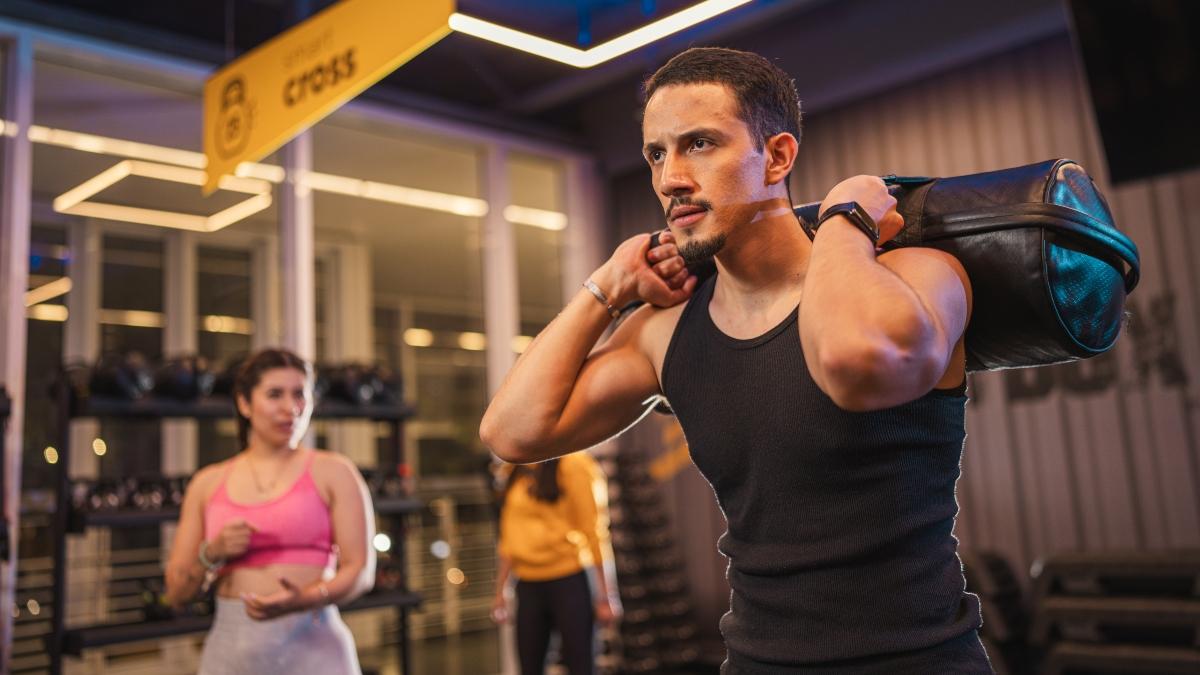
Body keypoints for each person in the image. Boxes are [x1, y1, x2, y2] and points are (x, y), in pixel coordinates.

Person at [480, 47, 991, 673]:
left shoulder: (918, 274)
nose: (670, 179)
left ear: (776, 156)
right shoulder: (664, 332)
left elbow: (856, 362)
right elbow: (512, 431)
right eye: (656, 154)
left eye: (699, 144)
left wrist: (842, 221)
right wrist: (608, 287)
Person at [164, 348, 376, 675]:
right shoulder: (207, 483)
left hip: (314, 645)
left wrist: (304, 599)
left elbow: (361, 571)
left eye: (299, 395)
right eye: (275, 394)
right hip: (232, 649)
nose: (290, 408)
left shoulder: (335, 472)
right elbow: (177, 594)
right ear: (244, 403)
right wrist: (213, 552)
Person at [491, 453, 620, 675]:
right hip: (528, 584)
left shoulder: (576, 464)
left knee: (581, 666)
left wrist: (606, 596)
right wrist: (500, 590)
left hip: (568, 581)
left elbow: (595, 532)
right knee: (529, 667)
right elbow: (508, 538)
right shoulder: (515, 468)